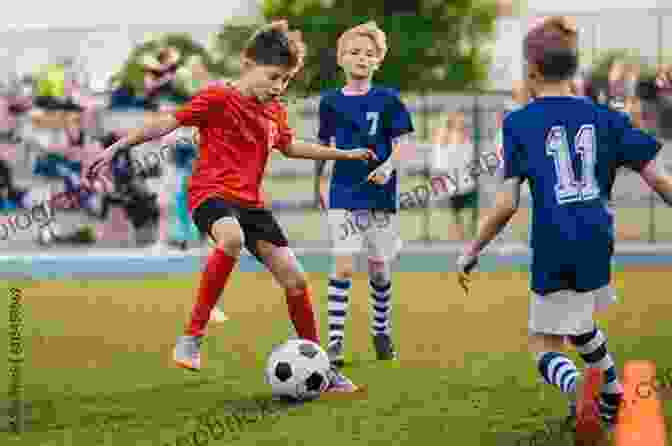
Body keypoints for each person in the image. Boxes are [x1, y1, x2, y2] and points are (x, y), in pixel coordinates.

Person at [86, 20, 376, 392]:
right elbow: (165, 123)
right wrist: (116, 147)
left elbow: (290, 147)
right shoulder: (218, 97)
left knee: (296, 279)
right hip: (210, 193)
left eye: (285, 81)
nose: (278, 87)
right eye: (273, 77)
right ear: (248, 64)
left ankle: (320, 364)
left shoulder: (275, 112)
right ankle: (192, 337)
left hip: (252, 204)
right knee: (232, 239)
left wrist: (345, 154)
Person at [456, 16, 672, 439]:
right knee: (580, 322)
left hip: (555, 240)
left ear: (531, 70)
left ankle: (580, 390)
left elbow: (505, 205)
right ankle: (610, 393)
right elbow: (661, 182)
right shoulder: (608, 118)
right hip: (597, 237)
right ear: (574, 68)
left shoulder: (518, 123)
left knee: (543, 343)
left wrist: (472, 249)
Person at [316, 22, 413, 368]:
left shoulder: (389, 100)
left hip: (380, 195)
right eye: (355, 52)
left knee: (379, 270)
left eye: (369, 54)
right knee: (342, 265)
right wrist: (322, 185)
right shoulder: (329, 102)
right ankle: (335, 342)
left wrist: (388, 167)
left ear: (378, 61)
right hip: (344, 192)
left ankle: (380, 330)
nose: (362, 58)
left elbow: (404, 146)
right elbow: (325, 149)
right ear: (341, 59)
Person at [431, 111, 478, 241]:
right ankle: (459, 236)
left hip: (465, 182)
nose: (461, 122)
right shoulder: (444, 136)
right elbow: (441, 159)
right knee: (456, 213)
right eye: (458, 120)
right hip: (452, 183)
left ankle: (465, 235)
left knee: (468, 213)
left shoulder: (466, 138)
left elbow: (468, 157)